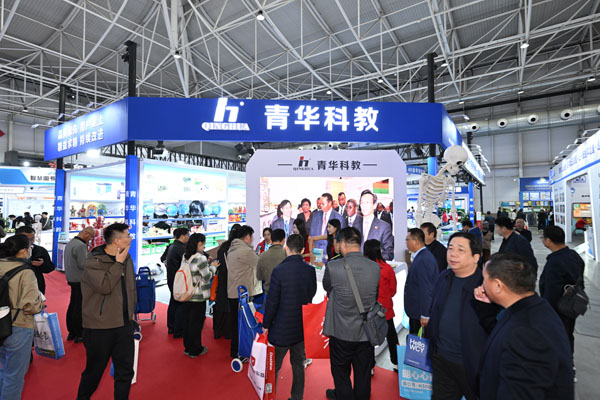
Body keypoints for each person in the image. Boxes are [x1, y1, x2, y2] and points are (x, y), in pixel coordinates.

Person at [475, 253, 574, 399]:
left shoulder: (526, 334)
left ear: (497, 285)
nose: (482, 284)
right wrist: (486, 307)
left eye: (484, 279)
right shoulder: (533, 307)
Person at [427, 232, 499, 399]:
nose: (453, 254)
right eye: (450, 248)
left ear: (476, 257)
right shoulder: (444, 277)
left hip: (473, 365)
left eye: (460, 250)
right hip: (441, 360)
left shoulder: (486, 287)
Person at [77, 223, 137, 400]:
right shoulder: (93, 262)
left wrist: (131, 314)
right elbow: (105, 286)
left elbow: (130, 287)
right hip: (100, 327)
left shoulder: (126, 258)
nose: (130, 238)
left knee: (125, 371)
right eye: (127, 235)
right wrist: (118, 264)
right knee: (94, 372)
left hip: (124, 324)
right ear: (117, 241)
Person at [323, 227, 380, 400]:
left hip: (341, 331)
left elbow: (327, 287)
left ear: (342, 243)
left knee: (341, 373)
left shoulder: (333, 266)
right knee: (363, 374)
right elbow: (375, 296)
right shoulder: (375, 267)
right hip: (366, 333)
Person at [263, 234, 317, 400]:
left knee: (274, 367)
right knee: (298, 365)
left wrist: (266, 323)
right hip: (301, 327)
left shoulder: (279, 271)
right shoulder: (310, 270)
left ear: (286, 248)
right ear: (302, 250)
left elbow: (272, 301)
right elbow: (312, 293)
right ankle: (296, 397)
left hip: (281, 328)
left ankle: (270, 396)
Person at [0, 234, 44, 399]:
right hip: (18, 325)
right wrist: (40, 303)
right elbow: (30, 305)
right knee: (15, 376)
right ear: (24, 251)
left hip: (1, 323)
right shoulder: (25, 272)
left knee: (5, 368)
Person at [540, 226, 585, 365]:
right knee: (568, 334)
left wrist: (546, 310)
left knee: (557, 337)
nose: (542, 240)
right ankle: (568, 363)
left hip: (558, 308)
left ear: (548, 241)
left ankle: (562, 366)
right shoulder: (574, 255)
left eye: (542, 238)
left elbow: (551, 290)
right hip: (572, 306)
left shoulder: (555, 262)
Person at [226, 225, 261, 359]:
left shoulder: (233, 249)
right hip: (242, 294)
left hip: (233, 291)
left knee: (236, 323)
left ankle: (236, 351)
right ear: (247, 236)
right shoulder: (245, 251)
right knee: (243, 324)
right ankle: (240, 352)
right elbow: (259, 265)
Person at [181, 233, 218, 358]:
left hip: (187, 294)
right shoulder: (200, 258)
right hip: (198, 295)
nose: (204, 247)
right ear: (199, 243)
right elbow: (206, 277)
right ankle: (195, 349)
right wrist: (212, 267)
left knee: (188, 322)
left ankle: (188, 347)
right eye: (203, 244)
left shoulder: (186, 256)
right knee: (196, 324)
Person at [364, 239, 398, 370]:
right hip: (385, 309)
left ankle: (370, 366)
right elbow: (393, 290)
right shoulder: (387, 268)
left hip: (369, 309)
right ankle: (396, 362)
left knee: (368, 338)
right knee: (391, 336)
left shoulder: (365, 268)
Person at [64, 227, 96, 343]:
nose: (90, 239)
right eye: (91, 237)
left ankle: (72, 331)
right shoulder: (81, 246)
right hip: (80, 279)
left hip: (72, 277)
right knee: (79, 306)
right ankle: (79, 332)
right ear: (87, 234)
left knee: (73, 304)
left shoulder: (71, 243)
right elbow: (83, 264)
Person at [404, 228, 438, 334]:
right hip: (416, 311)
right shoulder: (421, 256)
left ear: (416, 241)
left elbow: (427, 289)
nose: (406, 243)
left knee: (419, 340)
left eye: (407, 240)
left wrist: (425, 315)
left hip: (420, 313)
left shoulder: (424, 260)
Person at [213, 224, 241, 340]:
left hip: (223, 278)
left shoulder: (224, 246)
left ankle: (218, 331)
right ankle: (230, 332)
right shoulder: (238, 247)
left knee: (221, 304)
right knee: (232, 306)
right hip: (234, 279)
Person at [15, 226, 55, 295]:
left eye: (32, 238)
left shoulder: (40, 250)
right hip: (15, 286)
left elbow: (50, 268)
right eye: (27, 239)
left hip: (36, 285)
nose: (31, 241)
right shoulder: (9, 250)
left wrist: (42, 264)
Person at [166, 227, 189, 338]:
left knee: (173, 302)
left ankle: (171, 326)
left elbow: (163, 258)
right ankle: (178, 329)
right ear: (183, 236)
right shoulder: (182, 249)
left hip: (172, 278)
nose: (188, 237)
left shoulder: (171, 246)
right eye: (188, 235)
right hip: (179, 279)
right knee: (180, 303)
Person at [358, 190, 394, 260]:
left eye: (367, 202)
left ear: (374, 205)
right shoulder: (355, 225)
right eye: (362, 203)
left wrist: (373, 261)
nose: (364, 206)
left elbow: (388, 253)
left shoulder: (384, 227)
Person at [256, 229, 287, 294]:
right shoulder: (287, 255)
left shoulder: (263, 255)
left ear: (271, 239)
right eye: (265, 235)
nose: (266, 237)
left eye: (268, 235)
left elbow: (259, 276)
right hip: (284, 292)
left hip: (268, 292)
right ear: (284, 240)